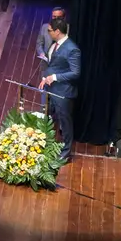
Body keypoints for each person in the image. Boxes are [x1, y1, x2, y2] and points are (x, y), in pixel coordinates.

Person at [38, 18, 81, 162]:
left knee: (65, 123)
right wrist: (46, 78)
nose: (48, 33)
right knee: (49, 118)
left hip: (64, 92)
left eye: (49, 30)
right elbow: (52, 65)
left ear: (57, 31)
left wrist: (55, 77)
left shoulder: (72, 49)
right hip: (51, 89)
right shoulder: (54, 44)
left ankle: (66, 152)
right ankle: (49, 147)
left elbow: (76, 72)